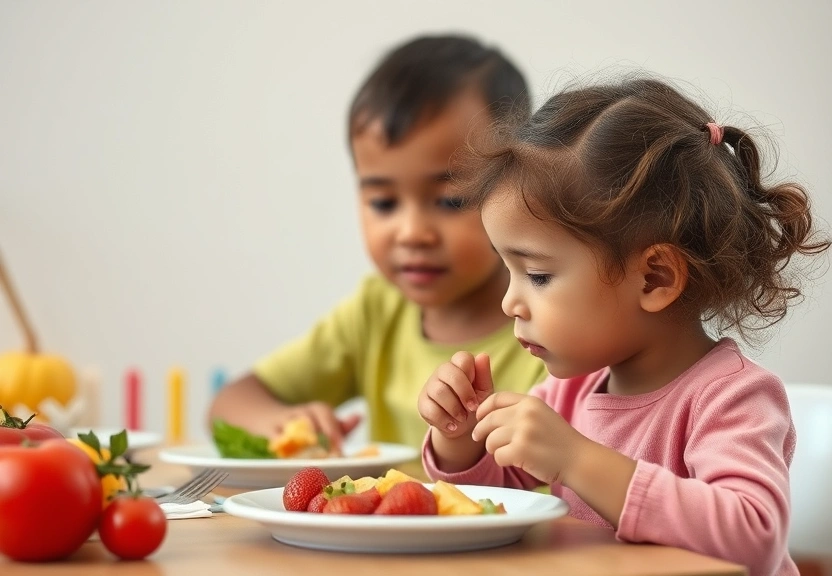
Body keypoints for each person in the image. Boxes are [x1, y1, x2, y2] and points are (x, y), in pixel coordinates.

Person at [418, 75, 830, 576]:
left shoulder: (731, 398)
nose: (509, 302)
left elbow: (754, 537)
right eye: (509, 271)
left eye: (539, 275)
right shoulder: (570, 394)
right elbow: (490, 502)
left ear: (654, 277)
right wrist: (460, 441)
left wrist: (577, 461)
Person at [208, 34, 548, 450]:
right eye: (384, 203)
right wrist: (283, 421)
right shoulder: (376, 311)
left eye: (450, 200)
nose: (411, 233)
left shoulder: (551, 327)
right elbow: (229, 404)